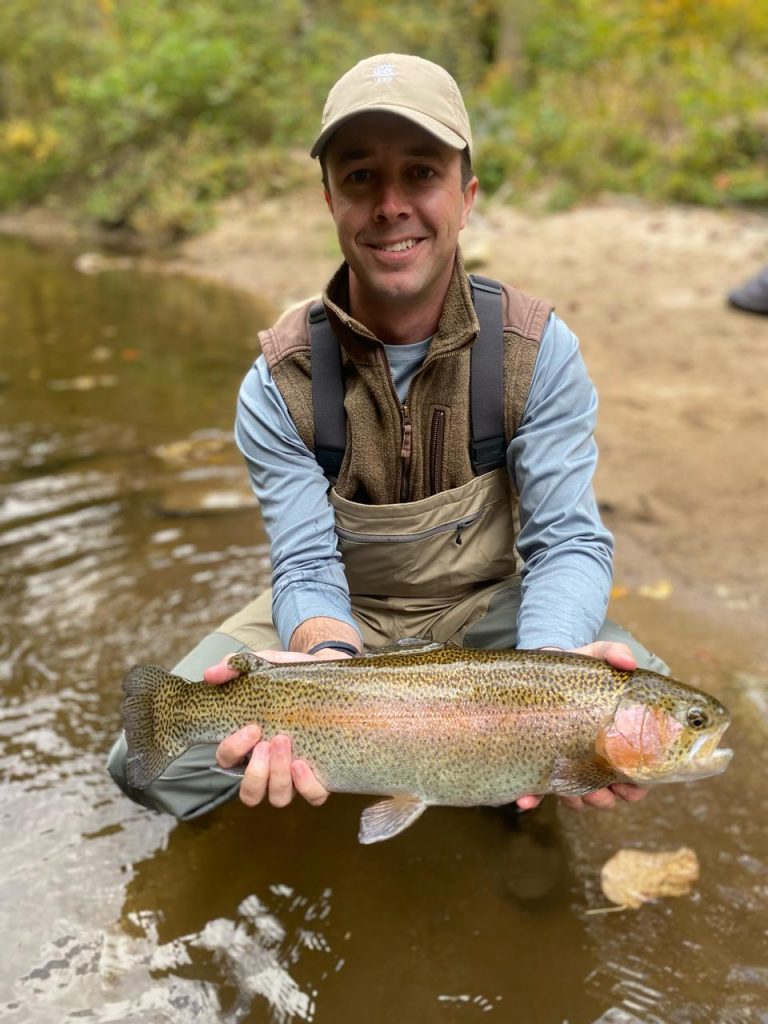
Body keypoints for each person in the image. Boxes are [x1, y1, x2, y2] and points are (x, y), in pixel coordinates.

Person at [108, 53, 669, 821]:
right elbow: (303, 561)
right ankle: (369, 759)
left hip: (488, 615)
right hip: (350, 623)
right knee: (145, 769)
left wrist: (553, 689)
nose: (391, 205)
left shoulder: (536, 351)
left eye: (421, 173)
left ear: (466, 197)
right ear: (330, 200)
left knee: (637, 712)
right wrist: (324, 678)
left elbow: (567, 542)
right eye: (361, 177)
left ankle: (488, 767)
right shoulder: (280, 380)